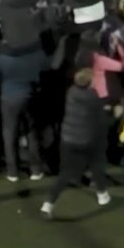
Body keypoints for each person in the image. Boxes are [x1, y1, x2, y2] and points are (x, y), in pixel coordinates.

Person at [41, 67, 111, 216]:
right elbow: (101, 118)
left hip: (68, 139)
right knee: (96, 163)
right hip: (86, 139)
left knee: (65, 174)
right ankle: (101, 194)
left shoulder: (71, 92)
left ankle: (48, 204)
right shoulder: (92, 96)